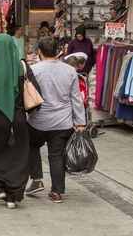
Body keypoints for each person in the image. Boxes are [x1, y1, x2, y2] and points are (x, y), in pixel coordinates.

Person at [0, 34, 38, 209]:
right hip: (17, 121)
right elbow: (35, 92)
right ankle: (13, 196)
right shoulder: (22, 67)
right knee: (17, 157)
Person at [26, 37, 86, 204]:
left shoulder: (34, 70)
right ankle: (57, 192)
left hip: (38, 120)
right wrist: (80, 122)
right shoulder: (70, 71)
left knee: (31, 145)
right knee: (56, 155)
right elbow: (76, 99)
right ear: (58, 51)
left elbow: (28, 96)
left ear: (39, 52)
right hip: (63, 121)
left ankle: (37, 178)